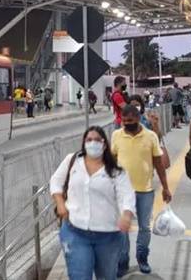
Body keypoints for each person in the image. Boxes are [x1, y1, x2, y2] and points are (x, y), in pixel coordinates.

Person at [51, 126, 135, 280]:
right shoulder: (72, 161)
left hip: (108, 235)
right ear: (84, 142)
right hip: (75, 232)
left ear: (104, 144)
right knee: (79, 276)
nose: (93, 143)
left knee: (107, 276)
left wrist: (127, 215)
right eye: (89, 140)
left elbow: (127, 196)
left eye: (97, 140)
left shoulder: (117, 171)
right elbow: (56, 181)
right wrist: (60, 203)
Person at [112, 105, 171, 276]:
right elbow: (112, 161)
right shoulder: (116, 135)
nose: (126, 124)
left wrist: (166, 188)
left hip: (145, 190)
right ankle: (122, 262)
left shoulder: (150, 136)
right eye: (124, 121)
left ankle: (142, 257)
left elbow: (159, 164)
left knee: (144, 227)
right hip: (122, 191)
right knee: (122, 227)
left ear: (138, 119)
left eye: (130, 121)